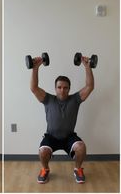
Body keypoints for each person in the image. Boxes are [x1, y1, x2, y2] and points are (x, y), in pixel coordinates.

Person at [30, 56, 94, 184]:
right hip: (51, 136)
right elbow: (34, 88)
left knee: (81, 147)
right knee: (42, 151)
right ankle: (45, 169)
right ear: (55, 88)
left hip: (69, 137)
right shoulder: (48, 99)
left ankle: (77, 169)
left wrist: (87, 67)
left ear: (69, 89)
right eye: (59, 87)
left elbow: (89, 86)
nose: (62, 90)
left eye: (65, 88)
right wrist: (35, 68)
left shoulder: (75, 99)